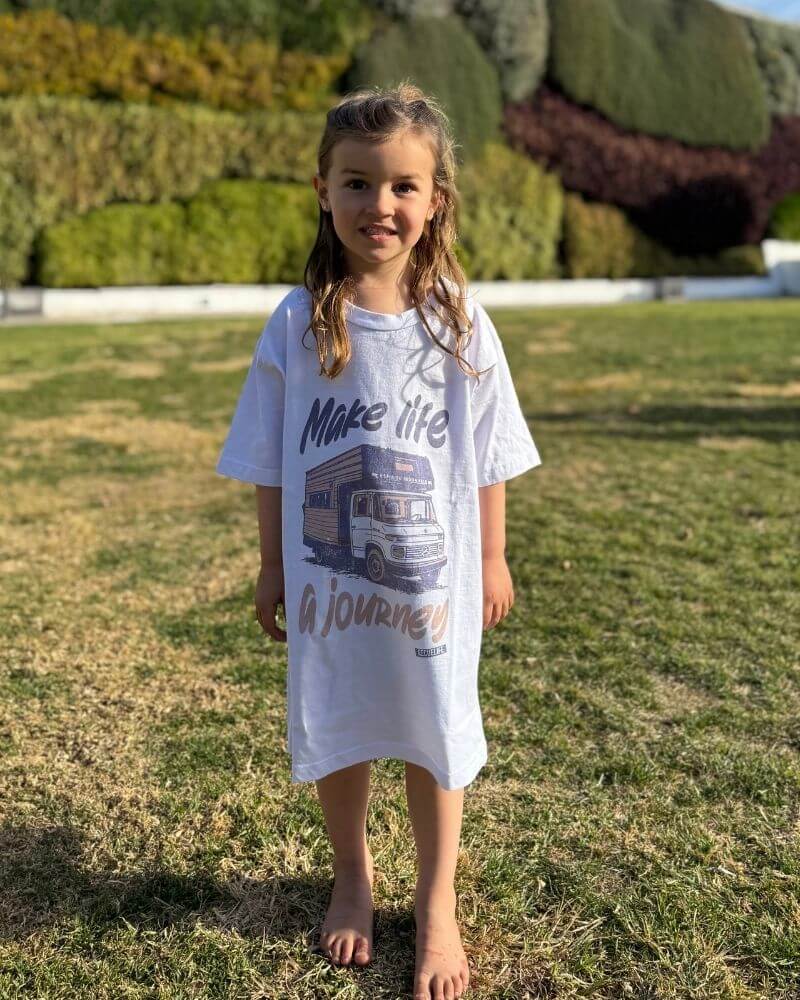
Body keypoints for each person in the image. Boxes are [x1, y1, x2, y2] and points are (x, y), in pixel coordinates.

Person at [215, 80, 542, 1000]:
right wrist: (273, 564)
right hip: (334, 592)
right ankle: (352, 876)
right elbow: (270, 458)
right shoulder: (298, 323)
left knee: (437, 732)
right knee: (346, 721)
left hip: (434, 590)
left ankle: (438, 903)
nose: (380, 204)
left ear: (436, 198)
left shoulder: (459, 321)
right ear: (323, 189)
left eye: (404, 185)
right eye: (358, 182)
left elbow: (490, 454)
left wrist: (491, 556)